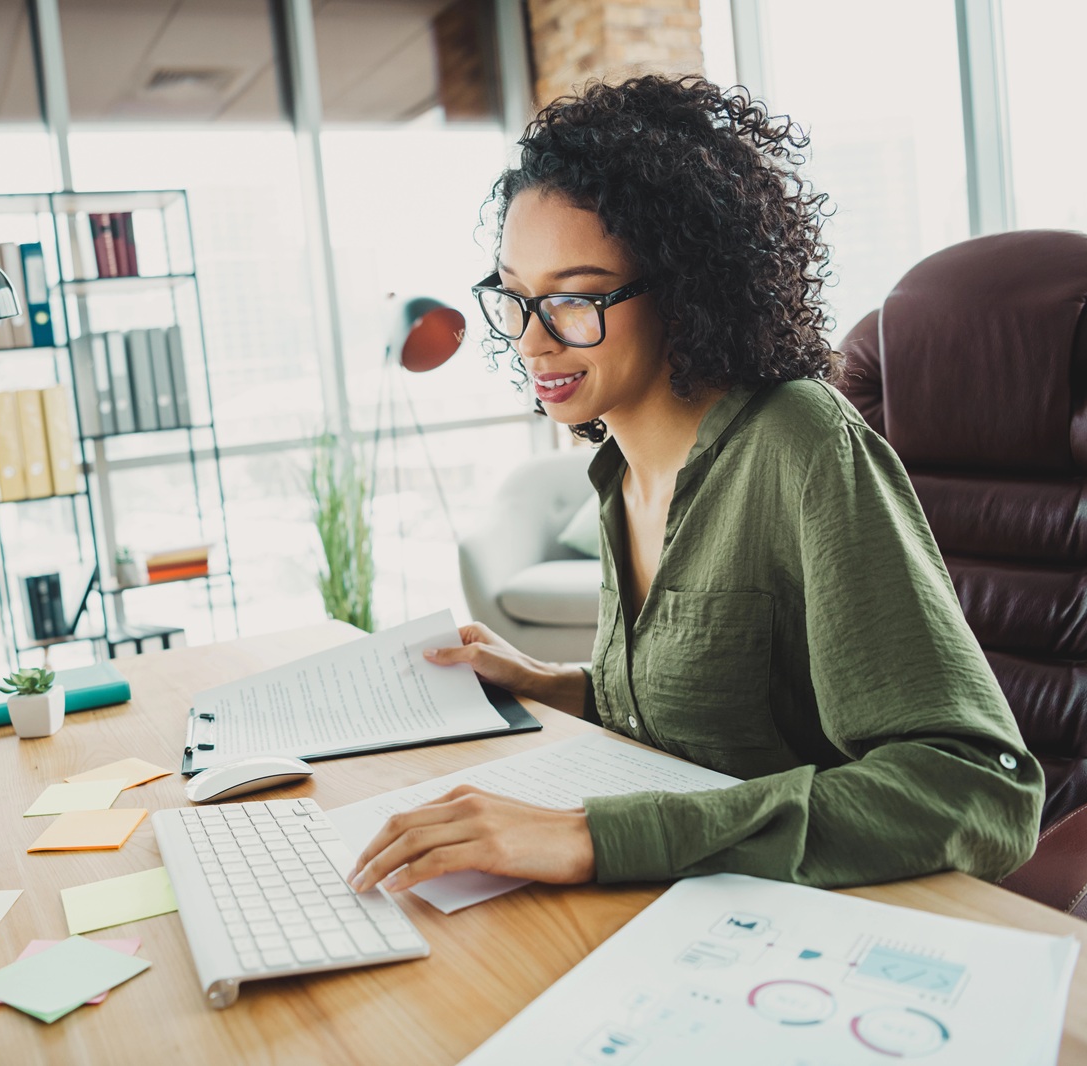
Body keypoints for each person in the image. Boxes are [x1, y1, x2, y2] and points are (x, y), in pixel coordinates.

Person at [348, 75, 1043, 896]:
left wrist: (592, 839)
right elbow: (701, 718)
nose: (533, 342)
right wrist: (558, 685)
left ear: (684, 288)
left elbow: (977, 788)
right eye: (517, 297)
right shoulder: (618, 468)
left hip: (807, 933)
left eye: (574, 299)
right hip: (676, 913)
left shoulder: (800, 443)